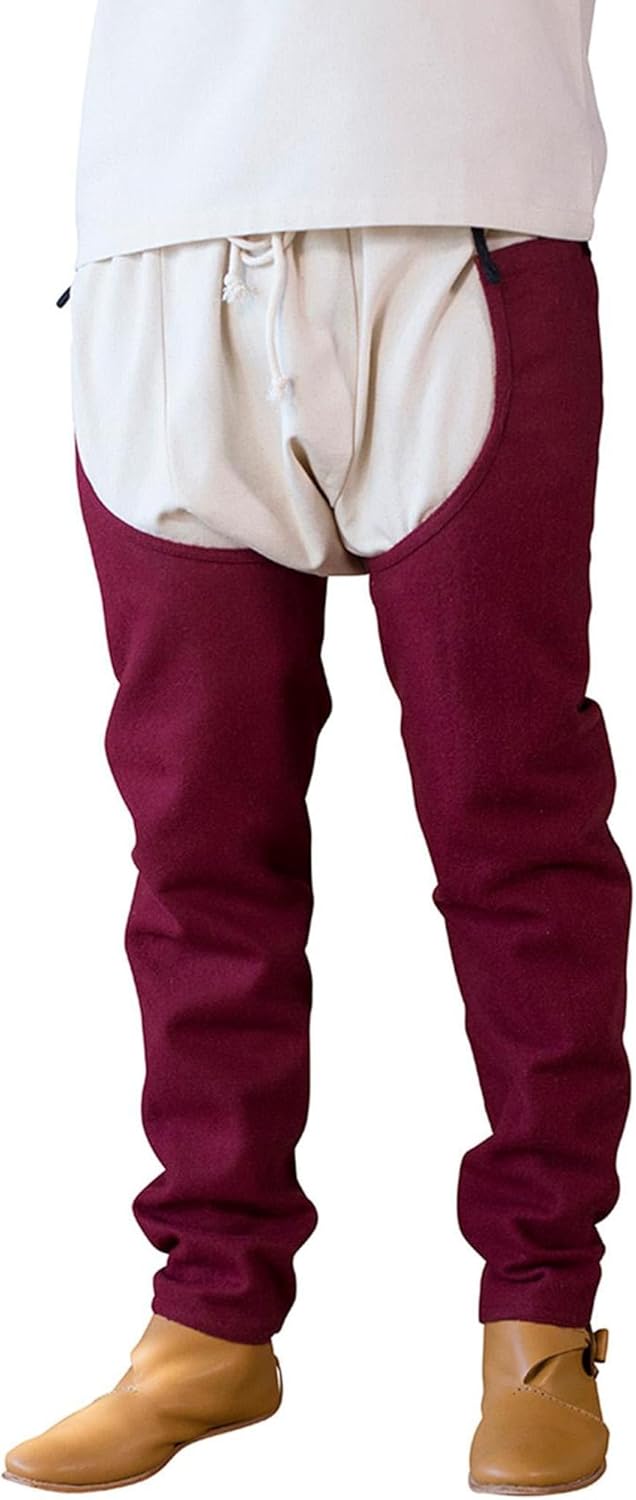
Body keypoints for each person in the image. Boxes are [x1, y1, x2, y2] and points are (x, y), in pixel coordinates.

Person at [3, 2, 631, 1493]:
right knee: (196, 834)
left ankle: (541, 1315)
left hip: (464, 205)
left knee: (512, 810)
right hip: (161, 233)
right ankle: (209, 1320)